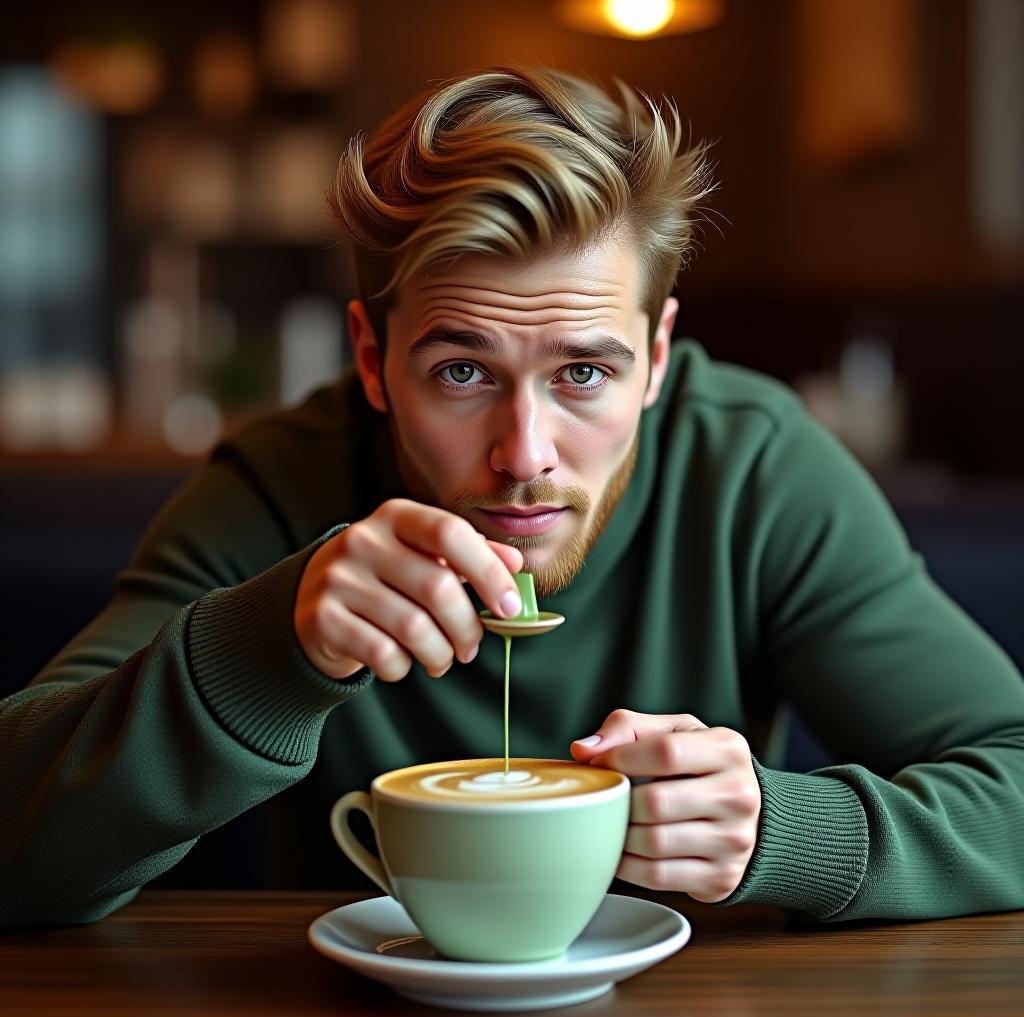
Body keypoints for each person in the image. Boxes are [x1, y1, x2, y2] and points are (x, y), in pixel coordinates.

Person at [2, 63, 1022, 931]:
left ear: (657, 357)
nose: (524, 455)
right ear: (371, 357)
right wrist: (271, 648)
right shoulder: (276, 490)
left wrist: (790, 831)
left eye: (583, 373)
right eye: (461, 372)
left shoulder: (753, 469)